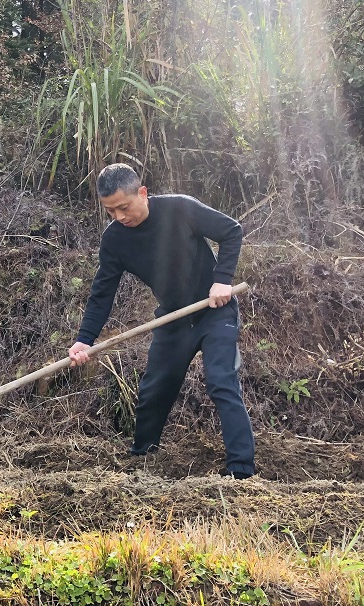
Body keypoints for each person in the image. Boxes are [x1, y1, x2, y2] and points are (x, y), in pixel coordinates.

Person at [68, 163, 255, 479]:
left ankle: (242, 472)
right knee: (154, 389)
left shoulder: (180, 209)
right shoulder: (115, 240)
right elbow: (102, 293)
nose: (119, 216)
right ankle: (142, 462)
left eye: (124, 207)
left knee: (221, 380)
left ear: (142, 193)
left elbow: (231, 231)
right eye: (110, 211)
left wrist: (222, 280)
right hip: (173, 319)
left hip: (214, 312)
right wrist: (85, 339)